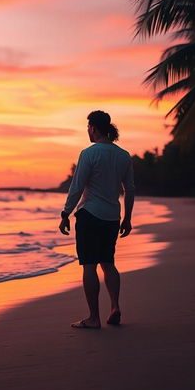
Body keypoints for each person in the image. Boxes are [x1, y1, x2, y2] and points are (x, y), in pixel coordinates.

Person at [59, 110, 134, 329]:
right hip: (112, 216)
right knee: (108, 263)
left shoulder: (89, 153)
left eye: (88, 128)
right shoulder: (123, 155)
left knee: (89, 266)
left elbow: (77, 186)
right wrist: (127, 218)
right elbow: (129, 189)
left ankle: (94, 318)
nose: (88, 132)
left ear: (93, 128)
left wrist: (65, 213)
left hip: (90, 215)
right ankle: (115, 307)